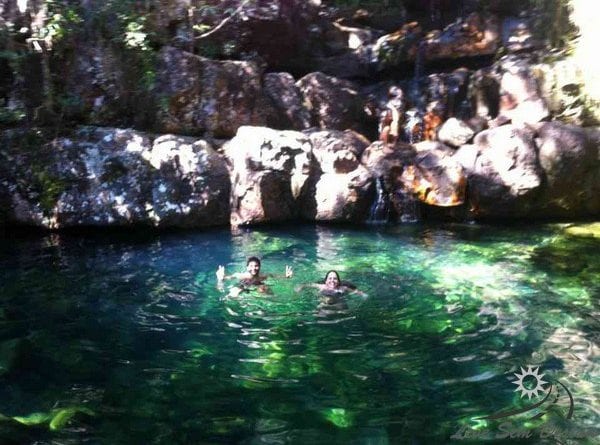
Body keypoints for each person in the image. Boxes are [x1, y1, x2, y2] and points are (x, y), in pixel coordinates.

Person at [216, 256, 293, 297]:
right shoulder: (241, 275)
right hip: (244, 284)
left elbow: (275, 276)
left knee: (265, 290)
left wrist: (286, 276)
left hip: (258, 284)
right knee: (234, 293)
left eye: (256, 266)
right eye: (251, 266)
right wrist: (222, 277)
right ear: (247, 267)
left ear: (259, 267)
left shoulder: (262, 276)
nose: (253, 268)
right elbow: (230, 277)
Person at [296, 270, 366, 300]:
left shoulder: (343, 288)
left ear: (338, 281)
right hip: (324, 302)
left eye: (335, 279)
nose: (332, 281)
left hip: (339, 303)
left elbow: (356, 291)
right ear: (326, 281)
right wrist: (299, 289)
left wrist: (363, 295)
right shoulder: (322, 286)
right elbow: (305, 285)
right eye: (330, 278)